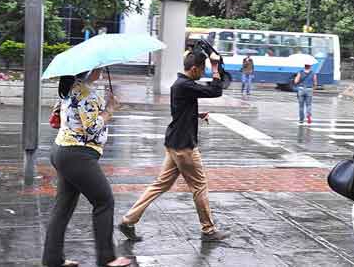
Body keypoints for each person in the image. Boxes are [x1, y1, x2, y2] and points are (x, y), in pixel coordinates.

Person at [118, 50, 229, 242]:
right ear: (194, 68)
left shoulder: (180, 85)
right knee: (200, 186)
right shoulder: (185, 85)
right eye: (202, 70)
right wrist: (215, 67)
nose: (203, 74)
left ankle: (128, 220)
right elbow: (216, 90)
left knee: (160, 185)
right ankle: (208, 230)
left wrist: (197, 115)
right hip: (184, 146)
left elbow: (181, 111)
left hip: (174, 143)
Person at [43, 70, 131, 267]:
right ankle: (108, 259)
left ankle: (52, 259)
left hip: (63, 152)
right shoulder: (85, 93)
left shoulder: (68, 88)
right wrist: (109, 109)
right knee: (104, 201)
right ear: (88, 70)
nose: (101, 69)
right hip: (78, 155)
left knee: (63, 207)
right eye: (97, 67)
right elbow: (92, 129)